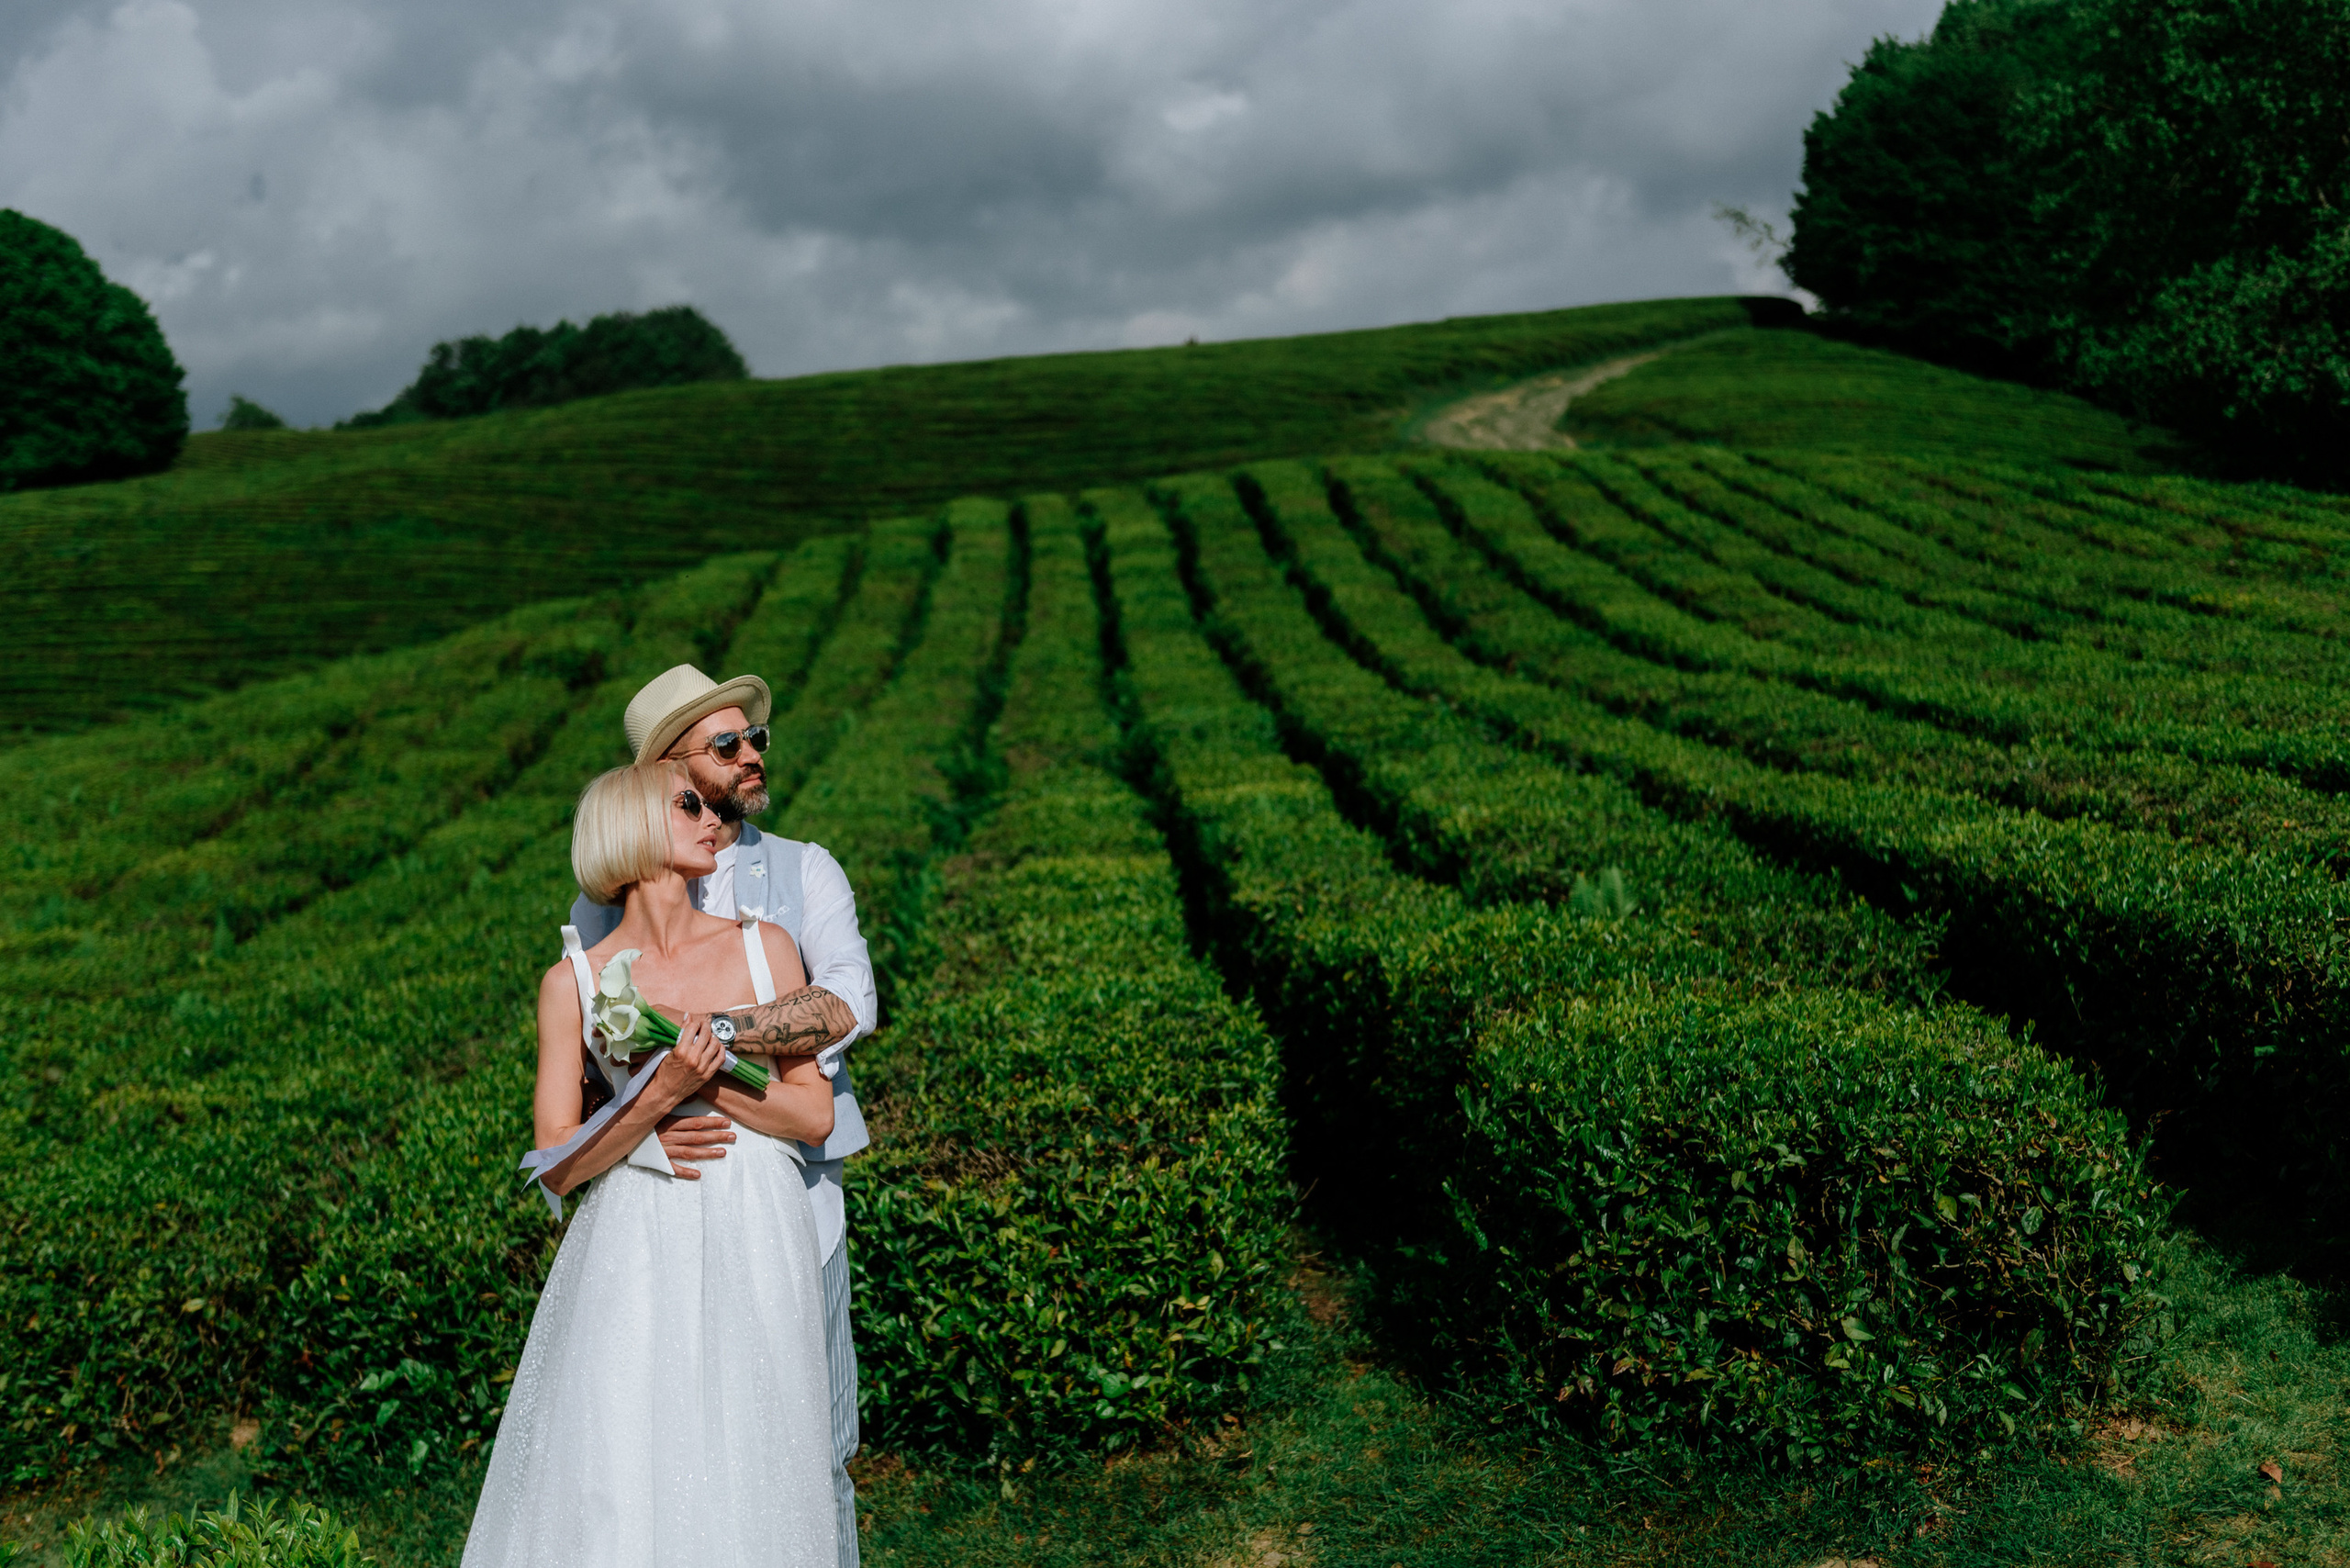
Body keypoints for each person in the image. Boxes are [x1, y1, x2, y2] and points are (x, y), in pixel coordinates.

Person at [464, 762, 839, 1567]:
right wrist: (649, 1108)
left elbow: (814, 1114)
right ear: (633, 824)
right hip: (633, 1237)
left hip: (755, 1220)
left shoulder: (767, 950)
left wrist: (699, 1071)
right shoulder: (573, 983)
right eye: (689, 804)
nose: (714, 817)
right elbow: (556, 1165)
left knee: (755, 1447)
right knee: (623, 1453)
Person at [570, 663, 876, 1566]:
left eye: (755, 739)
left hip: (797, 1196)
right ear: (670, 765)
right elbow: (595, 1055)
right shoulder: (604, 905)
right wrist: (647, 1118)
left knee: (814, 1448)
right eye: (727, 743)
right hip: (664, 1211)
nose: (752, 755)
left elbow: (846, 997)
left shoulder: (803, 869)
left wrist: (699, 1037)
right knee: (669, 1454)